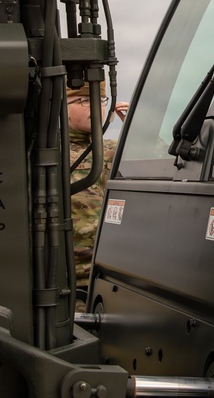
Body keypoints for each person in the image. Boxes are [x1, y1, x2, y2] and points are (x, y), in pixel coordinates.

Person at [69, 81, 128, 309]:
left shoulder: (111, 149)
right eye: (84, 101)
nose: (95, 107)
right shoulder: (45, 153)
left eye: (100, 100)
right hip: (67, 284)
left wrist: (137, 129)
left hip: (108, 281)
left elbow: (164, 170)